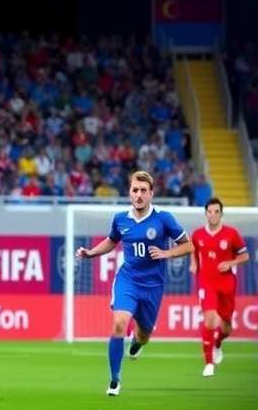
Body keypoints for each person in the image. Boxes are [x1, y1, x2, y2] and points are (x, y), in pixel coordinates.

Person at [75, 170, 192, 396]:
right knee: (119, 323)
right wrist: (91, 253)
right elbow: (111, 242)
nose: (138, 195)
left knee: (144, 335)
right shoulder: (121, 219)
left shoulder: (163, 218)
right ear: (129, 192)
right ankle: (114, 380)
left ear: (151, 194)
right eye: (134, 190)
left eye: (143, 191)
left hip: (153, 286)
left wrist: (167, 253)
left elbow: (188, 246)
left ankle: (137, 342)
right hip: (128, 280)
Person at [189, 198, 250, 377]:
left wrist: (231, 262)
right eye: (210, 211)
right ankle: (208, 363)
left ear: (221, 214)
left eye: (216, 211)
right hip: (206, 283)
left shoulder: (232, 234)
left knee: (226, 328)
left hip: (227, 285)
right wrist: (194, 263)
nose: (213, 215)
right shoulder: (198, 234)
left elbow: (245, 256)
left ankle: (218, 344)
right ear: (206, 213)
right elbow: (193, 248)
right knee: (209, 319)